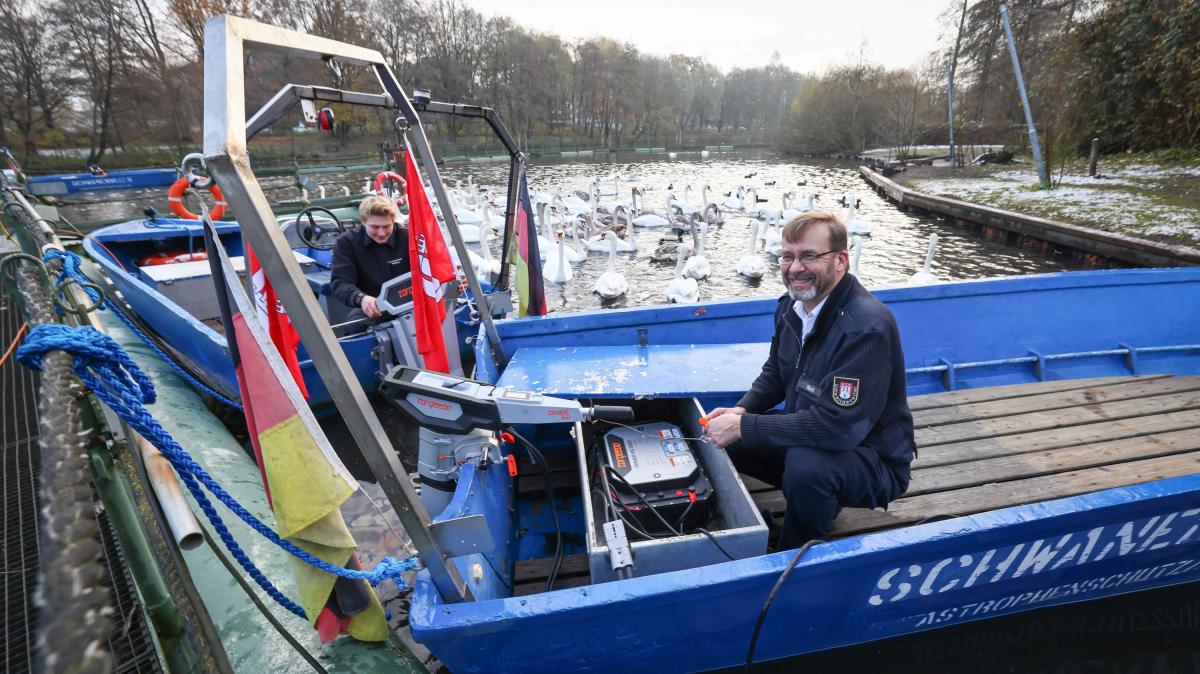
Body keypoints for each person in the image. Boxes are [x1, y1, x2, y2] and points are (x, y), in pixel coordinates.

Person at [702, 211, 914, 549]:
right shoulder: (791, 307)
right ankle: (819, 501)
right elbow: (775, 372)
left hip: (871, 458)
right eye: (788, 256)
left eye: (810, 256)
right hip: (811, 434)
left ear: (841, 260)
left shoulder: (866, 328)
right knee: (722, 438)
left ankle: (797, 554)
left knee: (808, 466)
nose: (795, 267)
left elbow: (837, 427)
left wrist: (745, 426)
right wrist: (740, 413)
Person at [330, 195, 410, 321]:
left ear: (394, 221)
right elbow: (340, 282)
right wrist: (361, 298)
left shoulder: (408, 238)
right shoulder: (347, 242)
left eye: (386, 226)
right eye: (375, 227)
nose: (381, 233)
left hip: (410, 303)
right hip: (374, 307)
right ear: (363, 221)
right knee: (354, 327)